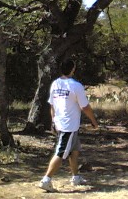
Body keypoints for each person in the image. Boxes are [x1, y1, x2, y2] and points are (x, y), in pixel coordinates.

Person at [39, 59, 99, 192]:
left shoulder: (55, 83)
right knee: (60, 153)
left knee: (75, 151)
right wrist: (94, 122)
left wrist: (53, 121)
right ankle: (46, 179)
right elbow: (85, 107)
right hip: (68, 126)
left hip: (64, 124)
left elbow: (52, 105)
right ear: (73, 69)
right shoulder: (76, 86)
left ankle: (75, 177)